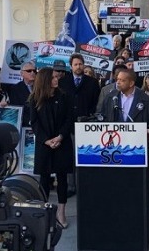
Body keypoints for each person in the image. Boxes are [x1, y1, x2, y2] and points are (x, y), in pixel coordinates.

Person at [29, 68, 73, 229]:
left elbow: (69, 118)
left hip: (62, 142)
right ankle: (44, 211)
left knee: (62, 178)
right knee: (44, 179)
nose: (57, 79)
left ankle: (61, 212)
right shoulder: (35, 98)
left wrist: (60, 136)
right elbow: (34, 122)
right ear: (46, 79)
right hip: (44, 144)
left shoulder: (64, 96)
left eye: (57, 77)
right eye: (53, 77)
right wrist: (46, 140)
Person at [59, 53, 101, 197]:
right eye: (76, 64)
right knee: (70, 158)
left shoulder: (92, 82)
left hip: (87, 125)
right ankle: (71, 186)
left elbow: (97, 103)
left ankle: (86, 185)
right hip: (69, 125)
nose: (78, 67)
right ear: (71, 66)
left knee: (86, 156)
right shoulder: (63, 82)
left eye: (80, 64)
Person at [8, 61, 36, 127]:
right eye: (29, 71)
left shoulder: (41, 87)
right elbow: (16, 109)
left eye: (34, 71)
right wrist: (29, 121)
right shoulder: (15, 89)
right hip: (25, 126)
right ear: (22, 73)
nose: (32, 73)